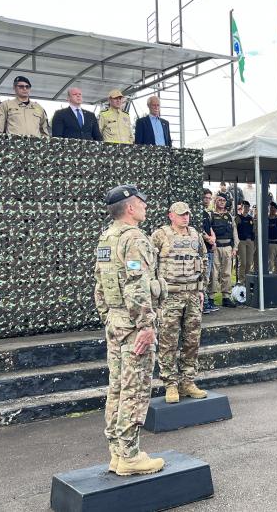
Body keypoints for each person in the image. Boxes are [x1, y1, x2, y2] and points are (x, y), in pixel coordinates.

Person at [93, 184, 165, 476]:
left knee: (118, 388)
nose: (146, 207)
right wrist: (146, 326)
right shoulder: (134, 238)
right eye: (142, 203)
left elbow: (100, 285)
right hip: (135, 325)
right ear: (131, 208)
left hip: (116, 322)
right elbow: (137, 286)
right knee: (134, 390)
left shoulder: (107, 237)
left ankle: (116, 453)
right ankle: (131, 456)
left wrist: (109, 318)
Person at [151, 202, 209, 404]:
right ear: (171, 216)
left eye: (187, 214)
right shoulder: (160, 235)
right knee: (168, 341)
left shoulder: (195, 234)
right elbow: (149, 263)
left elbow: (203, 261)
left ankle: (187, 381)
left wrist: (201, 289)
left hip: (192, 295)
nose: (185, 217)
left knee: (192, 341)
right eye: (181, 215)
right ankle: (170, 384)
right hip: (170, 296)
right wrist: (154, 291)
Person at [209, 193, 238, 308]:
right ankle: (211, 297)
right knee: (213, 273)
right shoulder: (211, 215)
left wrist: (235, 247)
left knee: (226, 273)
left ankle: (226, 297)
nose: (221, 202)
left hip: (227, 247)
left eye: (224, 200)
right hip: (215, 247)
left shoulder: (230, 216)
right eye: (219, 200)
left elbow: (234, 232)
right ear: (215, 201)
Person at [201, 189, 218, 313]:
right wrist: (209, 239)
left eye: (209, 198)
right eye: (206, 198)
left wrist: (213, 238)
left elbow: (210, 227)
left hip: (210, 248)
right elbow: (200, 230)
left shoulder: (207, 213)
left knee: (208, 277)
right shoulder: (198, 212)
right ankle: (204, 303)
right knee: (204, 277)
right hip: (203, 249)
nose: (207, 200)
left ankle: (206, 302)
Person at [235, 201, 256, 281]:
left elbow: (254, 230)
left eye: (248, 207)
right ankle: (241, 280)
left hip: (250, 241)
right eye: (245, 207)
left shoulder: (250, 218)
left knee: (249, 262)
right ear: (242, 207)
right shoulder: (238, 218)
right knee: (243, 262)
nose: (246, 209)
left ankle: (247, 280)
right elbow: (235, 231)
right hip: (241, 241)